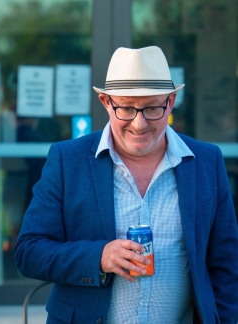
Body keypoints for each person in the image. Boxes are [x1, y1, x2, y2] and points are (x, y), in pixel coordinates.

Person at [15, 46, 238, 324]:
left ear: (171, 102)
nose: (139, 123)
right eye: (126, 108)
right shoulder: (67, 160)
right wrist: (99, 256)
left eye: (152, 108)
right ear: (106, 102)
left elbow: (226, 265)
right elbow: (29, 251)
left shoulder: (206, 161)